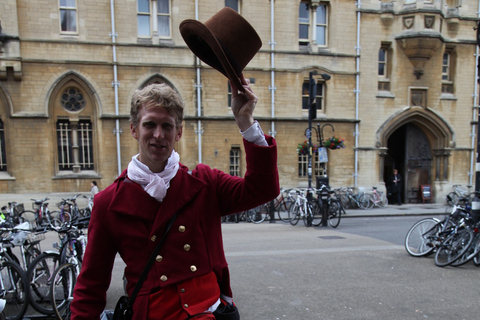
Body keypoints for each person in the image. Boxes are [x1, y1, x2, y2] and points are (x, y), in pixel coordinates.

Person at [70, 78, 279, 319]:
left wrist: (246, 122)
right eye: (149, 124)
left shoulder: (204, 183)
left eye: (167, 126)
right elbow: (90, 289)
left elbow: (263, 189)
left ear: (178, 132)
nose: (158, 135)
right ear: (134, 129)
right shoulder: (108, 203)